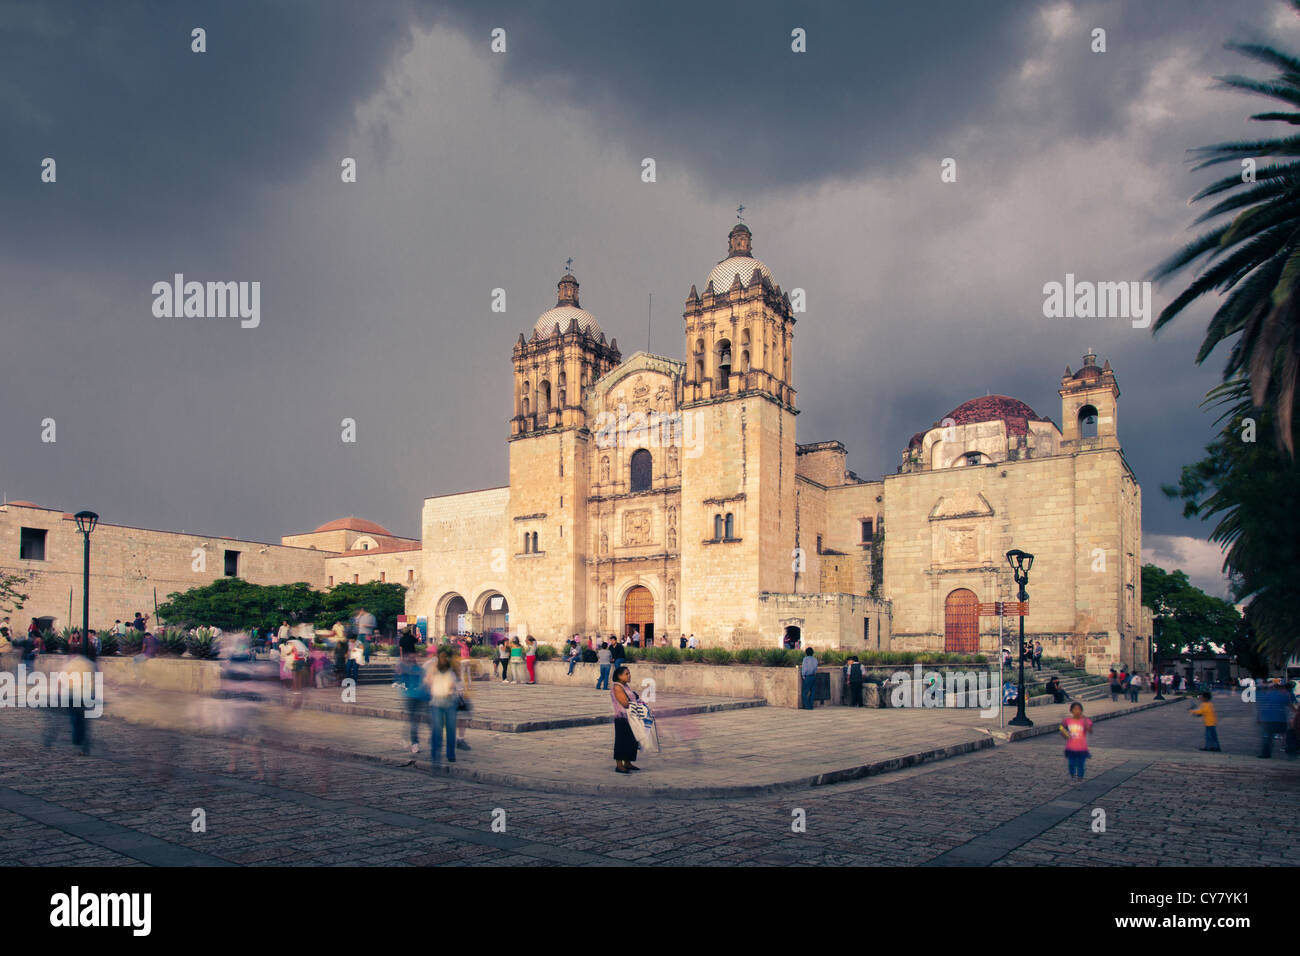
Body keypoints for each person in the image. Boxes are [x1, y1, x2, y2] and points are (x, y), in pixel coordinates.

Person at [424, 647, 462, 767]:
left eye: (446, 656)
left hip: (450, 702)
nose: (444, 659)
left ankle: (450, 754)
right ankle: (435, 754)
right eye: (442, 656)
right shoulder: (433, 667)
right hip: (436, 702)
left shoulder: (452, 670)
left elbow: (458, 685)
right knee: (437, 730)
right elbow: (427, 681)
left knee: (451, 730)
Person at [610, 665, 642, 774]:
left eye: (629, 673)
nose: (629, 676)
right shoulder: (617, 687)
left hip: (631, 717)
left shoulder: (626, 686)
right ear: (619, 676)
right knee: (621, 741)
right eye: (626, 674)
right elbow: (625, 703)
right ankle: (619, 765)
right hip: (622, 718)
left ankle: (628, 762)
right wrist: (636, 703)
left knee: (631, 740)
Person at [397, 649, 429, 754]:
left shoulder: (414, 670)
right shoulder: (414, 670)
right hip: (415, 698)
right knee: (415, 721)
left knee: (414, 721)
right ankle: (414, 743)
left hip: (416, 697)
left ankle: (413, 743)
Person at [1256, 680, 1293, 759]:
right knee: (1284, 737)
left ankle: (1266, 754)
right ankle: (1290, 752)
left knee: (1267, 738)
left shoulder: (1265, 695)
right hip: (1280, 720)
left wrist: (1258, 718)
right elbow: (1290, 706)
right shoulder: (1284, 695)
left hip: (1267, 720)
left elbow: (1261, 708)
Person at [1059, 701, 1093, 782]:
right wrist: (1065, 734)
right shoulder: (1067, 720)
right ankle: (1072, 774)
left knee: (1081, 763)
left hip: (1082, 748)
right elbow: (1061, 728)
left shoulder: (1085, 720)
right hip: (1071, 747)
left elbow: (1090, 731)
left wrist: (1085, 721)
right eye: (1075, 709)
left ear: (1081, 710)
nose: (1077, 711)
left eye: (1079, 709)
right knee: (1071, 763)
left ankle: (1080, 776)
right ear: (1071, 710)